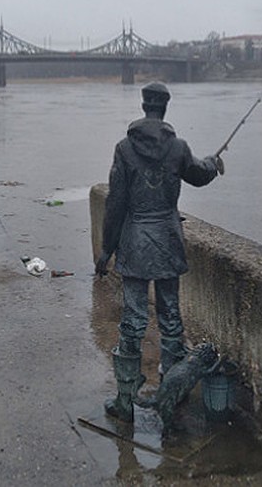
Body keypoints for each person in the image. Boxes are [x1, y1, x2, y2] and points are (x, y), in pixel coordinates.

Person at [94, 81, 224, 422]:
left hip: (135, 241)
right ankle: (172, 391)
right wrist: (214, 162)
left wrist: (106, 249)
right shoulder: (178, 147)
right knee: (170, 318)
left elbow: (116, 203)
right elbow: (199, 174)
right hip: (167, 239)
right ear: (164, 107)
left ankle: (125, 401)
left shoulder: (124, 148)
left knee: (133, 320)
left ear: (143, 105)